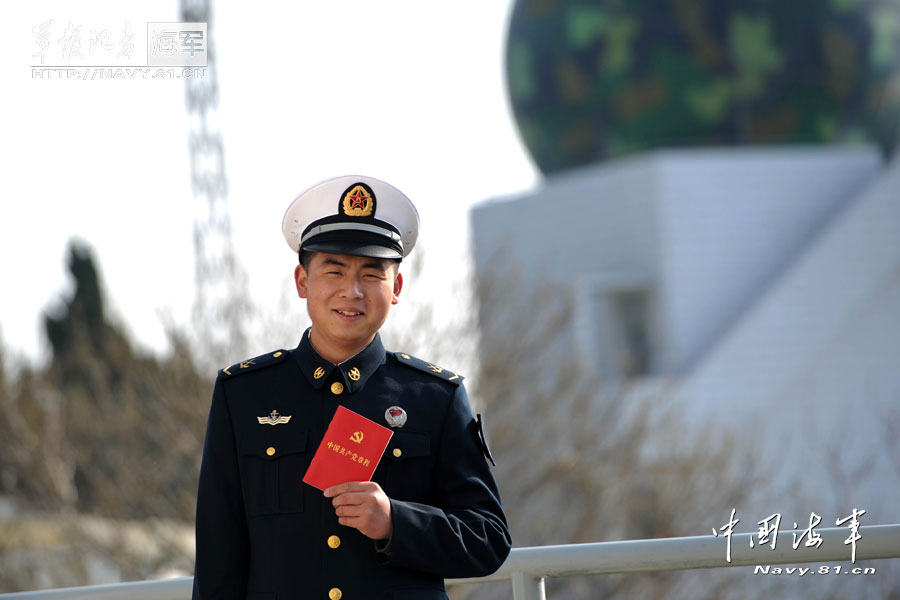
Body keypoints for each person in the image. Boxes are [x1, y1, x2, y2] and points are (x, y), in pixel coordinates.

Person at [192, 175, 511, 600]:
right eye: (334, 270)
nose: (352, 291)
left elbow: (487, 538)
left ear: (395, 288)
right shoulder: (245, 394)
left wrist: (396, 522)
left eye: (371, 274)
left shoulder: (435, 396)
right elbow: (219, 559)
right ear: (302, 281)